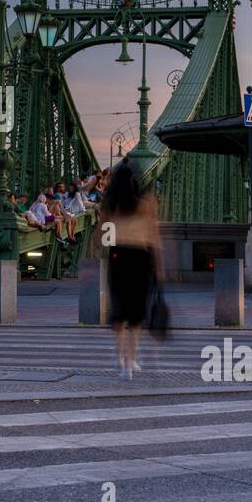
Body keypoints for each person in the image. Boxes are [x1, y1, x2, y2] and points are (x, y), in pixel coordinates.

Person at [100, 161, 163, 379]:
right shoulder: (146, 203)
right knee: (136, 312)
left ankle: (120, 359)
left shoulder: (110, 205)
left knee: (120, 309)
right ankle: (131, 361)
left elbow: (103, 236)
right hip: (140, 257)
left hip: (118, 256)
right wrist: (160, 266)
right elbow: (154, 237)